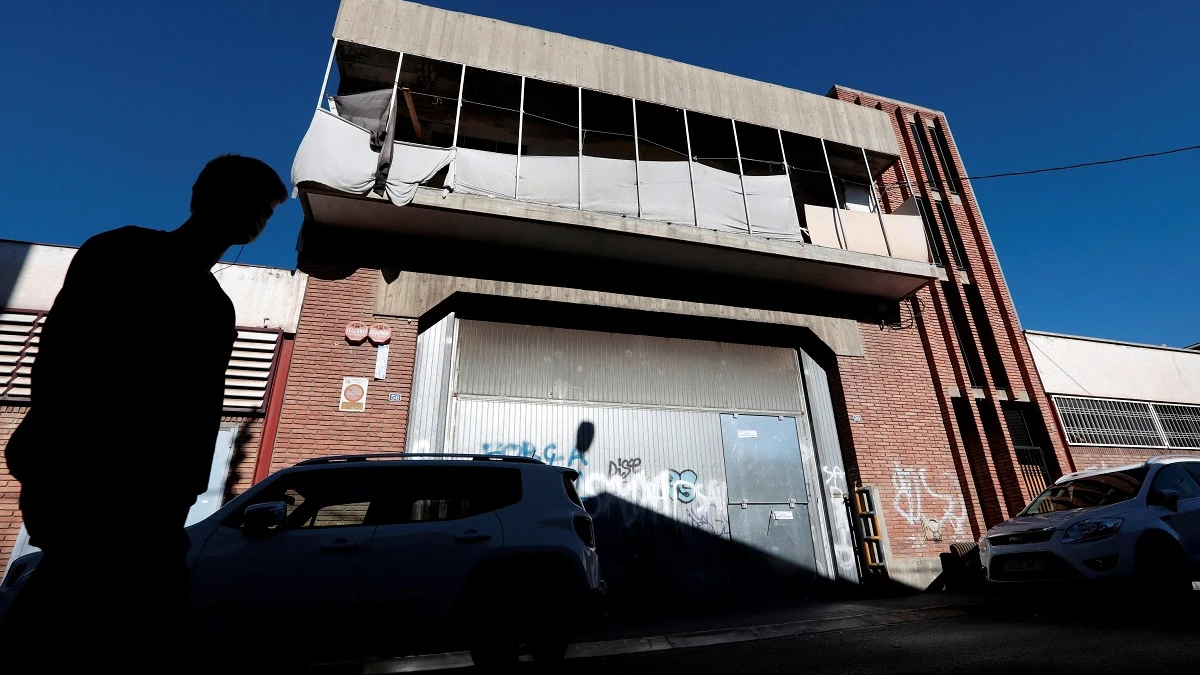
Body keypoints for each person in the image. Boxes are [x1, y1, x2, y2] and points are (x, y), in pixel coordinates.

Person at [1, 155, 287, 670]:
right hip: (84, 479)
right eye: (248, 201)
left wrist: (184, 487)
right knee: (81, 616)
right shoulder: (122, 252)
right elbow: (65, 357)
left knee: (114, 621)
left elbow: (202, 405)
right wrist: (58, 457)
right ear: (201, 195)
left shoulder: (216, 306)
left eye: (265, 211)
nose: (256, 217)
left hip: (154, 501)